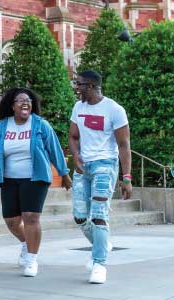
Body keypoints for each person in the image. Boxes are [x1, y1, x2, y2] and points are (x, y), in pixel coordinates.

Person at [0, 87, 72, 277]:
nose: (25, 103)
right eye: (20, 100)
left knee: (31, 217)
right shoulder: (3, 126)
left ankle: (32, 259)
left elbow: (54, 148)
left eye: (29, 101)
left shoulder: (40, 125)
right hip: (8, 178)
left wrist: (64, 173)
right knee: (11, 221)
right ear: (12, 106)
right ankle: (25, 242)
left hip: (35, 177)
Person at [69, 70, 132, 284]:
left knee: (98, 214)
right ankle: (102, 243)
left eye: (79, 84)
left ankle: (99, 263)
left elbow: (124, 145)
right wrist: (76, 155)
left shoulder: (114, 110)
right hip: (83, 166)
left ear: (92, 86)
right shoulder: (78, 107)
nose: (76, 87)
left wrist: (127, 177)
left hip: (106, 165)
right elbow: (73, 136)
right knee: (79, 215)